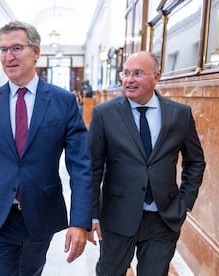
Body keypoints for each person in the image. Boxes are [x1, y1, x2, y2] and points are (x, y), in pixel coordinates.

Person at [0, 20, 92, 276]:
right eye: (3, 49)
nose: (8, 56)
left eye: (16, 48)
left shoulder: (64, 102)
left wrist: (81, 220)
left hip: (40, 212)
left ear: (36, 52)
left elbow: (81, 166)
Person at [87, 51, 206, 275]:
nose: (129, 80)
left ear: (157, 77)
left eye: (138, 73)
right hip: (116, 216)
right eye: (126, 73)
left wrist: (184, 203)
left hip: (163, 217)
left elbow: (195, 161)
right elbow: (93, 168)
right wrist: (91, 214)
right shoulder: (105, 114)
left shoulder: (179, 114)